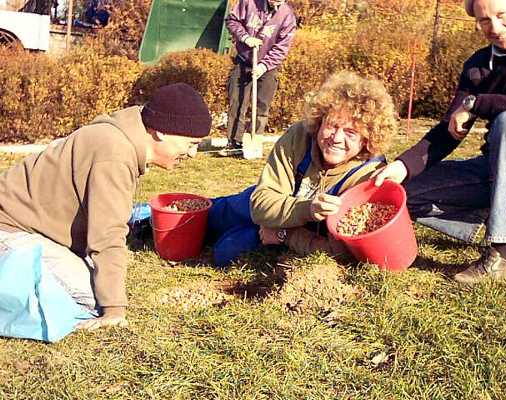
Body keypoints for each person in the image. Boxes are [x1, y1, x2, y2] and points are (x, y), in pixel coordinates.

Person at [373, 0, 506, 283]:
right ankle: (492, 216)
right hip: (491, 171)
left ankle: (505, 251)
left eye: (501, 15)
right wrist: (403, 166)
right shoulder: (478, 64)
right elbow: (449, 130)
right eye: (484, 21)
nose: (494, 28)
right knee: (399, 195)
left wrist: (476, 103)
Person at [0, 83, 211, 331]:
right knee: (90, 298)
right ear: (162, 132)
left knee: (96, 279)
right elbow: (108, 233)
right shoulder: (114, 153)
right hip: (10, 229)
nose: (194, 153)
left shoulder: (122, 135)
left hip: (31, 226)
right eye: (191, 143)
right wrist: (113, 309)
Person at [207, 71, 397, 266]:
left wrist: (286, 236)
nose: (337, 138)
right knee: (212, 213)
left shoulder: (369, 176)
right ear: (320, 120)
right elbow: (261, 203)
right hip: (274, 204)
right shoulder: (299, 137)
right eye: (332, 125)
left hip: (305, 232)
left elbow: (346, 253)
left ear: (367, 139)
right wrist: (308, 209)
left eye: (350, 132)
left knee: (226, 251)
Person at [221, 0, 297, 155]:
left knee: (262, 106)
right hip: (244, 61)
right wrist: (244, 37)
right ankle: (234, 143)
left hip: (268, 67)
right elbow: (232, 20)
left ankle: (254, 141)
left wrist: (264, 66)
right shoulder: (249, 3)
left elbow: (282, 47)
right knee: (237, 102)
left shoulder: (287, 16)